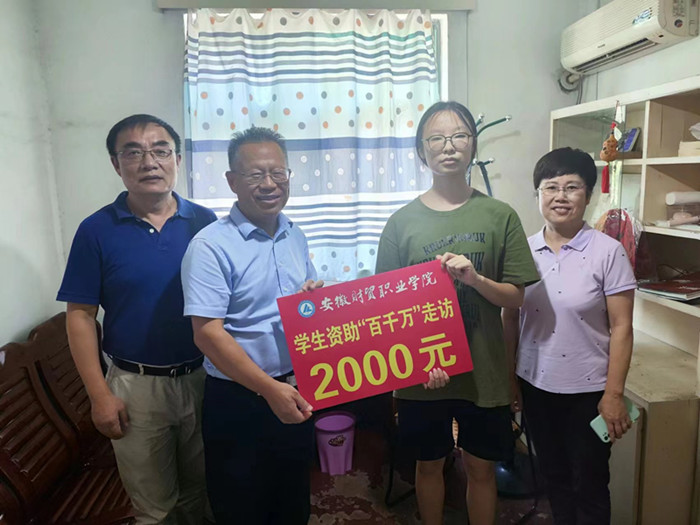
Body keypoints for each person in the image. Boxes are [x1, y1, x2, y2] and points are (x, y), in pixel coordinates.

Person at [375, 101, 540, 525]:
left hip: (483, 373)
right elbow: (386, 309)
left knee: (481, 469)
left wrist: (476, 279)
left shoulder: (500, 215)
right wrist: (417, 361)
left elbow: (515, 298)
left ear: (473, 145)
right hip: (423, 375)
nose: (448, 146)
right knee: (428, 466)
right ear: (421, 150)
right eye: (436, 138)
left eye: (459, 136)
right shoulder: (400, 223)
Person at [57, 114, 217, 524]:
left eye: (161, 150)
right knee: (154, 507)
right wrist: (99, 396)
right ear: (116, 164)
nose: (149, 162)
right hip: (135, 387)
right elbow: (80, 316)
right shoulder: (95, 230)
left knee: (201, 492)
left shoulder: (206, 223)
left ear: (177, 159)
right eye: (134, 153)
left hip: (203, 378)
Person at [180, 126, 324, 525]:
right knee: (242, 505)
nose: (269, 184)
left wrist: (312, 299)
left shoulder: (294, 234)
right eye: (255, 174)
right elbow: (207, 333)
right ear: (232, 181)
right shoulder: (210, 246)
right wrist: (268, 389)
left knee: (292, 499)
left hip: (294, 388)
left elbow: (301, 306)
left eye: (278, 173)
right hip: (238, 399)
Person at [503, 147, 636, 525]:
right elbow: (510, 318)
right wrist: (510, 377)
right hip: (536, 385)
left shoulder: (608, 252)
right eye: (551, 187)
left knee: (590, 483)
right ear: (538, 194)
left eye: (572, 187)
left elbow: (622, 327)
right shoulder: (523, 251)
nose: (560, 196)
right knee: (554, 477)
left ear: (588, 195)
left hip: (589, 391)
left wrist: (613, 394)